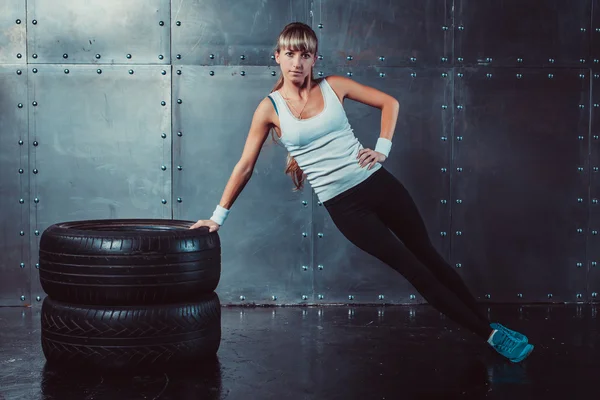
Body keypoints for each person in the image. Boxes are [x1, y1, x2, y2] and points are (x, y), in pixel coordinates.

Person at [189, 22, 534, 363]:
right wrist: (218, 217)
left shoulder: (334, 86)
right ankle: (490, 335)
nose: (297, 62)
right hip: (346, 208)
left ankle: (488, 327)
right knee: (411, 268)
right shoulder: (270, 109)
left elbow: (390, 103)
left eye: (305, 54)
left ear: (314, 59)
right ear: (277, 57)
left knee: (428, 256)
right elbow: (244, 166)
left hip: (378, 184)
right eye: (290, 54)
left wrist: (382, 148)